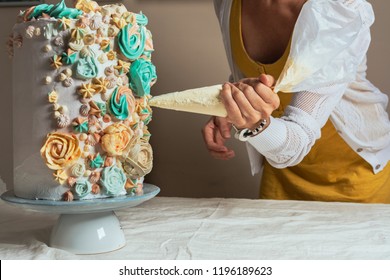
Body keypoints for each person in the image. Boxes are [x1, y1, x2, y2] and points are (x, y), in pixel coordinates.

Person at [202, 0, 390, 203]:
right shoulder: (227, 3)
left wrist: (253, 124)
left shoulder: (344, 8)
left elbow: (297, 139)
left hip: (355, 173)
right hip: (280, 168)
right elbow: (258, 77)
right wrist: (231, 106)